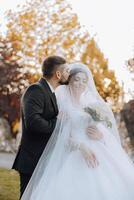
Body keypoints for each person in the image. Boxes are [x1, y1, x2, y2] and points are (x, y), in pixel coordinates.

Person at [21, 63, 134, 200]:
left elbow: (102, 129)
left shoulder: (90, 103)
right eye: (77, 79)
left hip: (96, 149)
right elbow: (58, 132)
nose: (80, 83)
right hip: (73, 151)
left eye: (84, 81)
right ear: (69, 81)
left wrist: (100, 136)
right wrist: (81, 146)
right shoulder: (60, 100)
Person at [12, 55, 70, 198]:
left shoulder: (49, 92)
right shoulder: (35, 90)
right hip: (32, 159)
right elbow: (33, 122)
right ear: (58, 74)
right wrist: (58, 123)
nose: (69, 74)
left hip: (43, 159)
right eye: (67, 71)